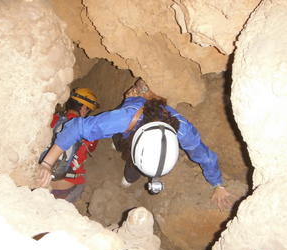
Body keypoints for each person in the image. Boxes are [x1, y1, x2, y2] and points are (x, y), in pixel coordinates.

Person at [37, 78, 232, 211]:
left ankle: (128, 177)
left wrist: (218, 184)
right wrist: (47, 163)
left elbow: (205, 156)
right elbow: (76, 128)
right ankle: (141, 93)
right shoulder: (123, 118)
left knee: (131, 165)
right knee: (121, 143)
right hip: (131, 117)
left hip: (137, 124)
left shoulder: (183, 130)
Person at [39, 87, 99, 202]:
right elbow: (91, 148)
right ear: (83, 108)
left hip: (43, 180)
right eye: (88, 110)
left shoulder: (52, 118)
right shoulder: (87, 129)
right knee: (81, 180)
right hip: (65, 188)